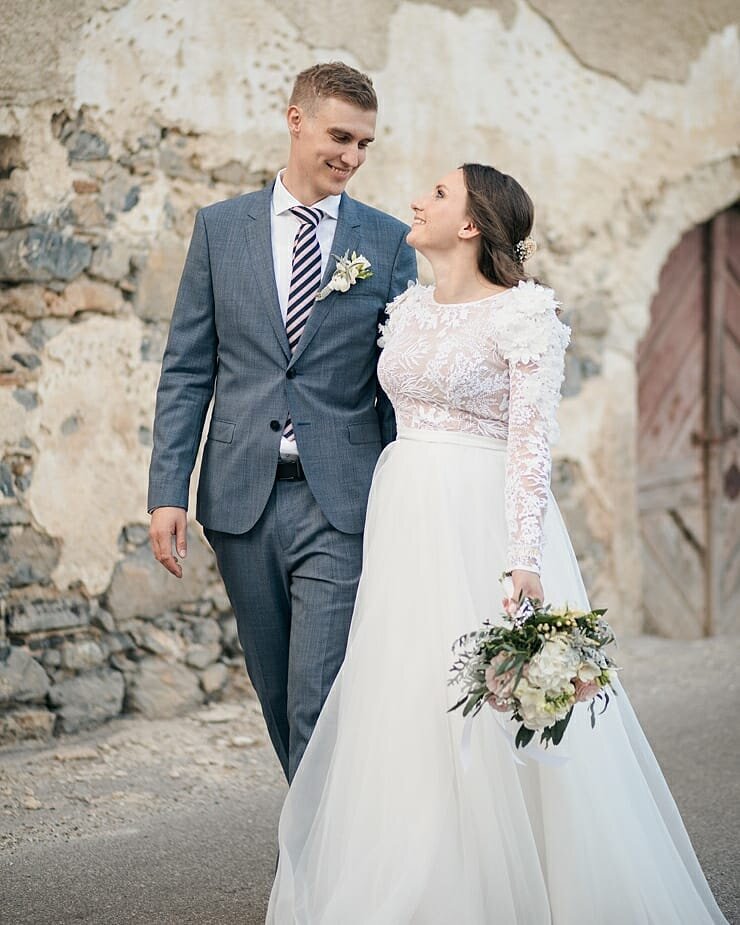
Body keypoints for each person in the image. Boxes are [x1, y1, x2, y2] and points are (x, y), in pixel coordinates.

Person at [266, 165, 727, 923]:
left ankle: (519, 880)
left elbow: (530, 443)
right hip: (405, 512)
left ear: (473, 223)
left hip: (479, 519)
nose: (417, 200)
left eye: (438, 194)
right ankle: (414, 869)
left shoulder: (523, 317)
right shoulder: (407, 310)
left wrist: (524, 556)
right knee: (405, 692)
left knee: (486, 701)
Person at [147, 62, 416, 782]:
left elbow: (397, 384)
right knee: (273, 691)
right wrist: (167, 490)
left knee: (317, 700)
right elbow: (187, 368)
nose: (351, 157)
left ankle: (321, 876)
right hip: (241, 502)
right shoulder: (219, 229)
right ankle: (321, 848)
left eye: (364, 144)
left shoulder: (387, 242)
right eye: (339, 136)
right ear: (295, 120)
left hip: (341, 502)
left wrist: (406, 500)